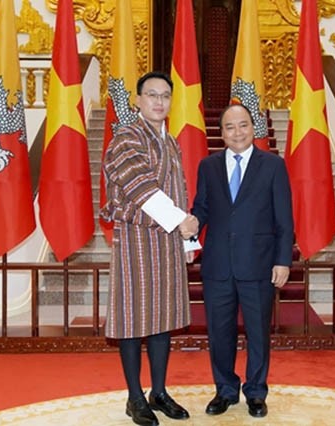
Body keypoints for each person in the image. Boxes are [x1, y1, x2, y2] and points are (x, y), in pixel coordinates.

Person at [101, 71, 198, 426]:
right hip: (136, 241)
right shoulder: (127, 137)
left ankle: (159, 391)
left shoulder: (170, 141)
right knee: (133, 320)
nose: (159, 101)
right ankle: (134, 397)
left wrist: (188, 240)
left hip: (169, 240)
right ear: (138, 101)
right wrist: (182, 222)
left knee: (164, 319)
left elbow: (180, 191)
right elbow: (141, 188)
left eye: (165, 96)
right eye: (152, 95)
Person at [191, 103, 294, 418]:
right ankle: (225, 389)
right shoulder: (208, 166)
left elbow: (284, 220)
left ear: (253, 128)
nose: (237, 132)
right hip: (218, 266)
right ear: (221, 133)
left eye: (243, 125)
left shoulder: (273, 166)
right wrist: (189, 223)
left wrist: (282, 261)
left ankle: (256, 392)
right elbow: (202, 209)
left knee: (258, 332)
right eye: (230, 127)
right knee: (219, 333)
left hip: (259, 265)